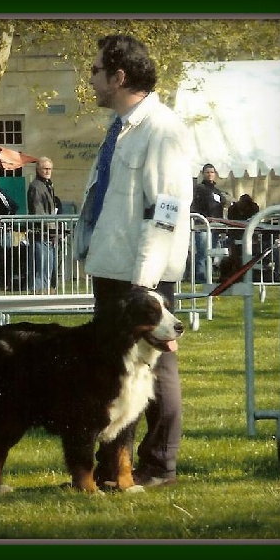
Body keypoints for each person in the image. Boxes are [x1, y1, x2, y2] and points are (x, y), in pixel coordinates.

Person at [72, 34, 193, 488]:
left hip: (141, 276)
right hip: (112, 269)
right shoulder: (121, 127)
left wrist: (145, 282)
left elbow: (165, 210)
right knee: (114, 371)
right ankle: (113, 468)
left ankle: (159, 465)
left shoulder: (162, 129)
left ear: (119, 77)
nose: (91, 79)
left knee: (157, 369)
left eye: (96, 71)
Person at [189, 163, 227, 283]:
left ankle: (208, 276)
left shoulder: (217, 191)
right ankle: (200, 277)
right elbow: (194, 206)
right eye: (207, 172)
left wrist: (222, 227)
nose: (210, 174)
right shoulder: (198, 189)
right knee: (203, 252)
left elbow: (220, 209)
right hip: (202, 225)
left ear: (215, 174)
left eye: (212, 172)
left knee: (211, 253)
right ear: (203, 174)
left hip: (215, 226)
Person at [27, 156, 58, 292]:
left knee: (48, 266)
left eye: (50, 169)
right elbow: (38, 211)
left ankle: (46, 290)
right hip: (41, 233)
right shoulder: (36, 186)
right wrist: (50, 228)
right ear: (38, 169)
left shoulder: (47, 185)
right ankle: (38, 292)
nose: (48, 171)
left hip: (48, 233)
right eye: (45, 169)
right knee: (42, 267)